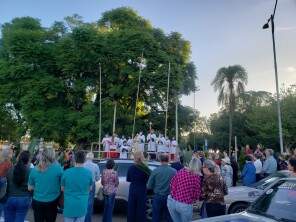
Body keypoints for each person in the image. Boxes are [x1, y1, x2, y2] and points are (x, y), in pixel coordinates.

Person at [28, 148, 63, 222]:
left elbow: (30, 188)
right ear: (53, 156)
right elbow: (62, 185)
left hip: (37, 200)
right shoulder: (58, 169)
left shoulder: (34, 169)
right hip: (53, 201)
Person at [167, 158, 202, 222]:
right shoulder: (196, 177)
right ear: (199, 166)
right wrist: (194, 200)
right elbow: (196, 193)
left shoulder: (181, 171)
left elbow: (172, 184)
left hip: (172, 201)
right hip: (184, 204)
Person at [62, 151, 93, 222]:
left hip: (69, 206)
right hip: (82, 205)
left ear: (74, 159)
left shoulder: (66, 172)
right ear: (84, 160)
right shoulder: (88, 173)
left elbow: (62, 189)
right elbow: (90, 188)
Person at [147, 154, 176, 222]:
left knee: (156, 216)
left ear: (160, 160)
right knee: (169, 216)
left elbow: (149, 186)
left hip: (158, 196)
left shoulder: (155, 171)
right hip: (169, 197)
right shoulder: (174, 171)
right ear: (168, 160)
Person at [4, 151, 31, 222]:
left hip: (10, 197)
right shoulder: (30, 171)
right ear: (28, 160)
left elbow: (6, 184)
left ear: (18, 158)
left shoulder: (10, 170)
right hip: (24, 198)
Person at [127, 151, 151, 222]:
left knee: (131, 208)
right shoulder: (145, 168)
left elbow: (128, 179)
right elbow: (149, 179)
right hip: (142, 189)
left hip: (133, 189)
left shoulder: (131, 168)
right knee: (141, 208)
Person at [83, 152, 100, 222]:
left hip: (83, 184)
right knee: (89, 203)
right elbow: (98, 178)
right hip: (91, 184)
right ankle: (88, 220)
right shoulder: (95, 166)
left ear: (86, 158)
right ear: (92, 158)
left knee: (83, 201)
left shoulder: (82, 165)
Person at [0, 148, 13, 218]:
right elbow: (10, 175)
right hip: (3, 182)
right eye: (11, 153)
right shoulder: (8, 163)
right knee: (2, 200)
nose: (12, 154)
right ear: (8, 154)